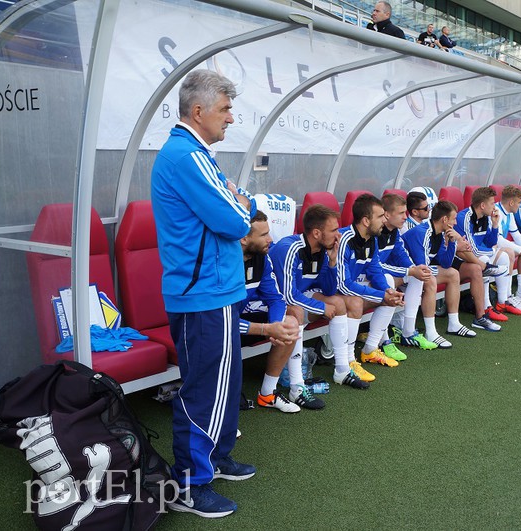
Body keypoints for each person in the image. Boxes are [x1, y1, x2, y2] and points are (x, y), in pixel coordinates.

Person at [151, 69, 256, 518]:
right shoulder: (186, 156)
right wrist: (242, 206)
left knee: (225, 384)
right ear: (198, 111)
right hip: (203, 295)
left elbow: (236, 204)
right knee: (203, 390)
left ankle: (216, 457)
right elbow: (237, 219)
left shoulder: (197, 154)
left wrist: (239, 202)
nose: (231, 118)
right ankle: (190, 483)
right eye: (225, 109)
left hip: (217, 291)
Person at [270, 205, 371, 390]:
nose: (338, 235)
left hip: (298, 298)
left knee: (338, 303)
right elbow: (287, 295)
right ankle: (297, 384)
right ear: (316, 233)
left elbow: (329, 289)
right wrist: (321, 308)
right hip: (275, 304)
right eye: (333, 230)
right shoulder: (289, 248)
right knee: (298, 311)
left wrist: (332, 261)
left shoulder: (324, 251)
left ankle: (342, 370)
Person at [239, 211, 324, 412]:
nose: (270, 239)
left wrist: (276, 325)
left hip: (237, 323)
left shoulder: (262, 258)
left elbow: (276, 299)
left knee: (290, 322)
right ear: (244, 238)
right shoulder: (223, 264)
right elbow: (220, 322)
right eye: (264, 235)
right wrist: (266, 330)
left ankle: (268, 394)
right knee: (226, 337)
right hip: (215, 329)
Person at [336, 194, 405, 382]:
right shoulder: (345, 239)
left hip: (351, 288)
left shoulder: (372, 239)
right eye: (380, 216)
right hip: (333, 291)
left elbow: (374, 269)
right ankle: (349, 360)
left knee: (389, 282)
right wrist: (381, 294)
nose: (384, 220)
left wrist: (387, 291)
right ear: (366, 220)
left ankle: (370, 349)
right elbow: (343, 284)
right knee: (355, 302)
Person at [403, 200, 493, 333]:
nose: (455, 223)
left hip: (416, 272)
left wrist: (452, 242)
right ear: (445, 219)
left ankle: (454, 324)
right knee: (430, 278)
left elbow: (445, 263)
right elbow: (422, 266)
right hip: (404, 273)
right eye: (454, 219)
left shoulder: (438, 233)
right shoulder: (422, 232)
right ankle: (430, 332)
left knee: (453, 273)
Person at [380, 193, 449, 349]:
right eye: (401, 213)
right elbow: (375, 266)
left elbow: (401, 253)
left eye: (405, 212)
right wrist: (409, 271)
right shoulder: (376, 233)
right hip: (372, 278)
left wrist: (413, 269)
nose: (405, 217)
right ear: (387, 214)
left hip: (388, 273)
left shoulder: (394, 231)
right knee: (389, 280)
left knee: (419, 275)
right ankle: (382, 341)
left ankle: (408, 332)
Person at [456, 187, 521, 322]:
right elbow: (473, 249)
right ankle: (487, 307)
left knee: (503, 256)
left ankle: (502, 302)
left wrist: (495, 224)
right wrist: (494, 251)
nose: (494, 206)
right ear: (482, 205)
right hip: (462, 258)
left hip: (478, 254)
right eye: (492, 203)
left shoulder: (486, 217)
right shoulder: (465, 217)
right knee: (486, 258)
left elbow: (490, 242)